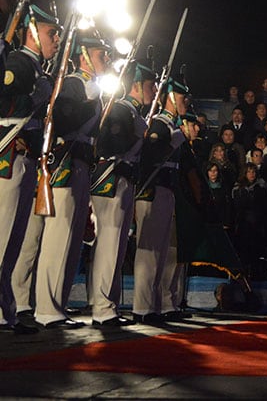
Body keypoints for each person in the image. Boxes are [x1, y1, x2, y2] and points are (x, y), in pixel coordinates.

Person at [34, 29, 106, 330]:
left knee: (72, 241)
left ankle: (57, 305)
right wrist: (89, 103)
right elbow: (60, 120)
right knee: (58, 239)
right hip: (65, 163)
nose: (107, 60)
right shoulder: (74, 84)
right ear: (84, 55)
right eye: (101, 55)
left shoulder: (90, 88)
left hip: (81, 164)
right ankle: (47, 308)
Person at [0, 4, 59, 335]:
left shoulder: (37, 70)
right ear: (32, 31)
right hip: (9, 157)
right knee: (3, 236)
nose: (56, 39)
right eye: (51, 33)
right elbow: (3, 102)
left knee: (14, 241)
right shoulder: (18, 63)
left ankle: (6, 309)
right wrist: (32, 99)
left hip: (26, 160)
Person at [87, 61, 154, 328]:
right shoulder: (122, 109)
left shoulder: (134, 113)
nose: (152, 91)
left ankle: (106, 303)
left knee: (115, 245)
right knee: (109, 243)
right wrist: (138, 138)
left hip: (124, 179)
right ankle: (103, 308)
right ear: (136, 86)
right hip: (112, 179)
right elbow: (109, 143)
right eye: (149, 86)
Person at [132, 76, 190, 324]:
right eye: (182, 97)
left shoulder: (171, 125)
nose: (186, 102)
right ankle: (143, 307)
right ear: (170, 98)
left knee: (162, 251)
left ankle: (155, 305)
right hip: (153, 191)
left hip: (167, 190)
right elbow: (150, 155)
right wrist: (174, 140)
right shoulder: (159, 124)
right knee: (149, 252)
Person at [231, 163, 267, 280]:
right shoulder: (238, 188)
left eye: (253, 172)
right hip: (243, 225)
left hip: (258, 225)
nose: (251, 174)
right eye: (249, 172)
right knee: (243, 253)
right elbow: (236, 207)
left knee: (256, 253)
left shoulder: (263, 187)